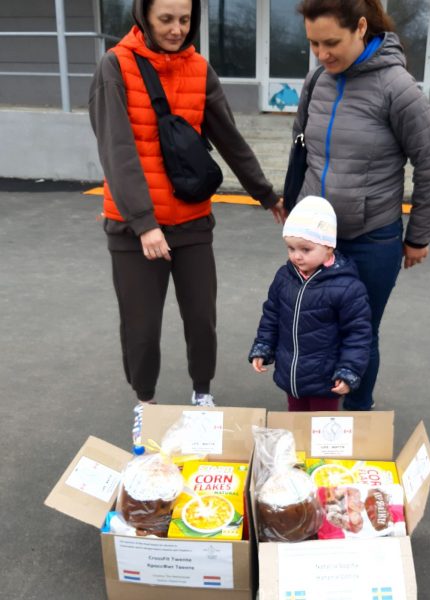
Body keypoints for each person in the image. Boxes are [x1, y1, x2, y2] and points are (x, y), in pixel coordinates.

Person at [89, 0, 286, 413]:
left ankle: (202, 394)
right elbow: (117, 150)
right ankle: (146, 403)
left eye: (185, 19)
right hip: (133, 228)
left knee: (201, 319)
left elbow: (228, 137)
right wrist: (144, 223)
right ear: (143, 15)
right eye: (166, 19)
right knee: (141, 329)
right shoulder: (115, 66)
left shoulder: (199, 69)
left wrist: (266, 193)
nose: (177, 29)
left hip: (191, 219)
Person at [293, 0, 430, 410]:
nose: (323, 54)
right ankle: (319, 417)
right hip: (316, 238)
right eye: (313, 44)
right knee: (315, 328)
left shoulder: (398, 88)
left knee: (358, 333)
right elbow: (303, 150)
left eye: (331, 43)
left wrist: (418, 237)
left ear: (361, 28)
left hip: (371, 239)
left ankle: (358, 421)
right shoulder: (317, 81)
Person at [248, 196, 372, 412]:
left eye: (306, 250)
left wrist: (348, 369)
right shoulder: (284, 277)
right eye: (291, 248)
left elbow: (357, 334)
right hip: (291, 374)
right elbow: (272, 315)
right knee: (296, 421)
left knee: (321, 428)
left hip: (325, 379)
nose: (297, 256)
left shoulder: (347, 287)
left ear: (329, 248)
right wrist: (263, 346)